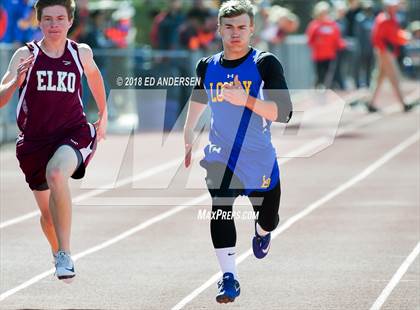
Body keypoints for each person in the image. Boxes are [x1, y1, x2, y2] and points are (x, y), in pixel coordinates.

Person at [183, 0, 292, 303]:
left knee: (269, 219)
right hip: (221, 154)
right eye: (228, 27)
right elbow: (198, 97)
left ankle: (261, 230)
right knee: (220, 205)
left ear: (252, 29)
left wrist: (246, 99)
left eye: (241, 27)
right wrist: (189, 131)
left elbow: (283, 113)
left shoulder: (264, 64)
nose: (235, 33)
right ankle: (228, 277)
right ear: (218, 29)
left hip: (259, 158)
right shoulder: (207, 65)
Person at [0, 0, 107, 282]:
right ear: (39, 22)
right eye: (47, 19)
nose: (54, 24)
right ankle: (57, 249)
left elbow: (95, 79)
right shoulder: (26, 54)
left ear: (70, 21)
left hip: (72, 132)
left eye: (60, 18)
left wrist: (103, 115)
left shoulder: (80, 52)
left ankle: (65, 253)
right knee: (48, 217)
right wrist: (14, 83)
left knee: (57, 172)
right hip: (34, 142)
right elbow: (1, 97)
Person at [367, 0, 412, 112]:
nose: (396, 7)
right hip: (385, 52)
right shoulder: (383, 19)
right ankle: (403, 103)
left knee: (379, 78)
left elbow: (395, 35)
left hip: (388, 52)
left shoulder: (393, 18)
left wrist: (404, 38)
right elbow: (376, 38)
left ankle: (371, 102)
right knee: (394, 77)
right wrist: (385, 50)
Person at [306, 1, 346, 89]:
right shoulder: (314, 25)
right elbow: (309, 40)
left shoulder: (333, 25)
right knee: (319, 76)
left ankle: (326, 94)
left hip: (329, 56)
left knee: (329, 77)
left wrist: (342, 45)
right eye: (322, 13)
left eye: (326, 12)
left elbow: (337, 40)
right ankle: (317, 93)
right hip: (318, 56)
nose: (324, 15)